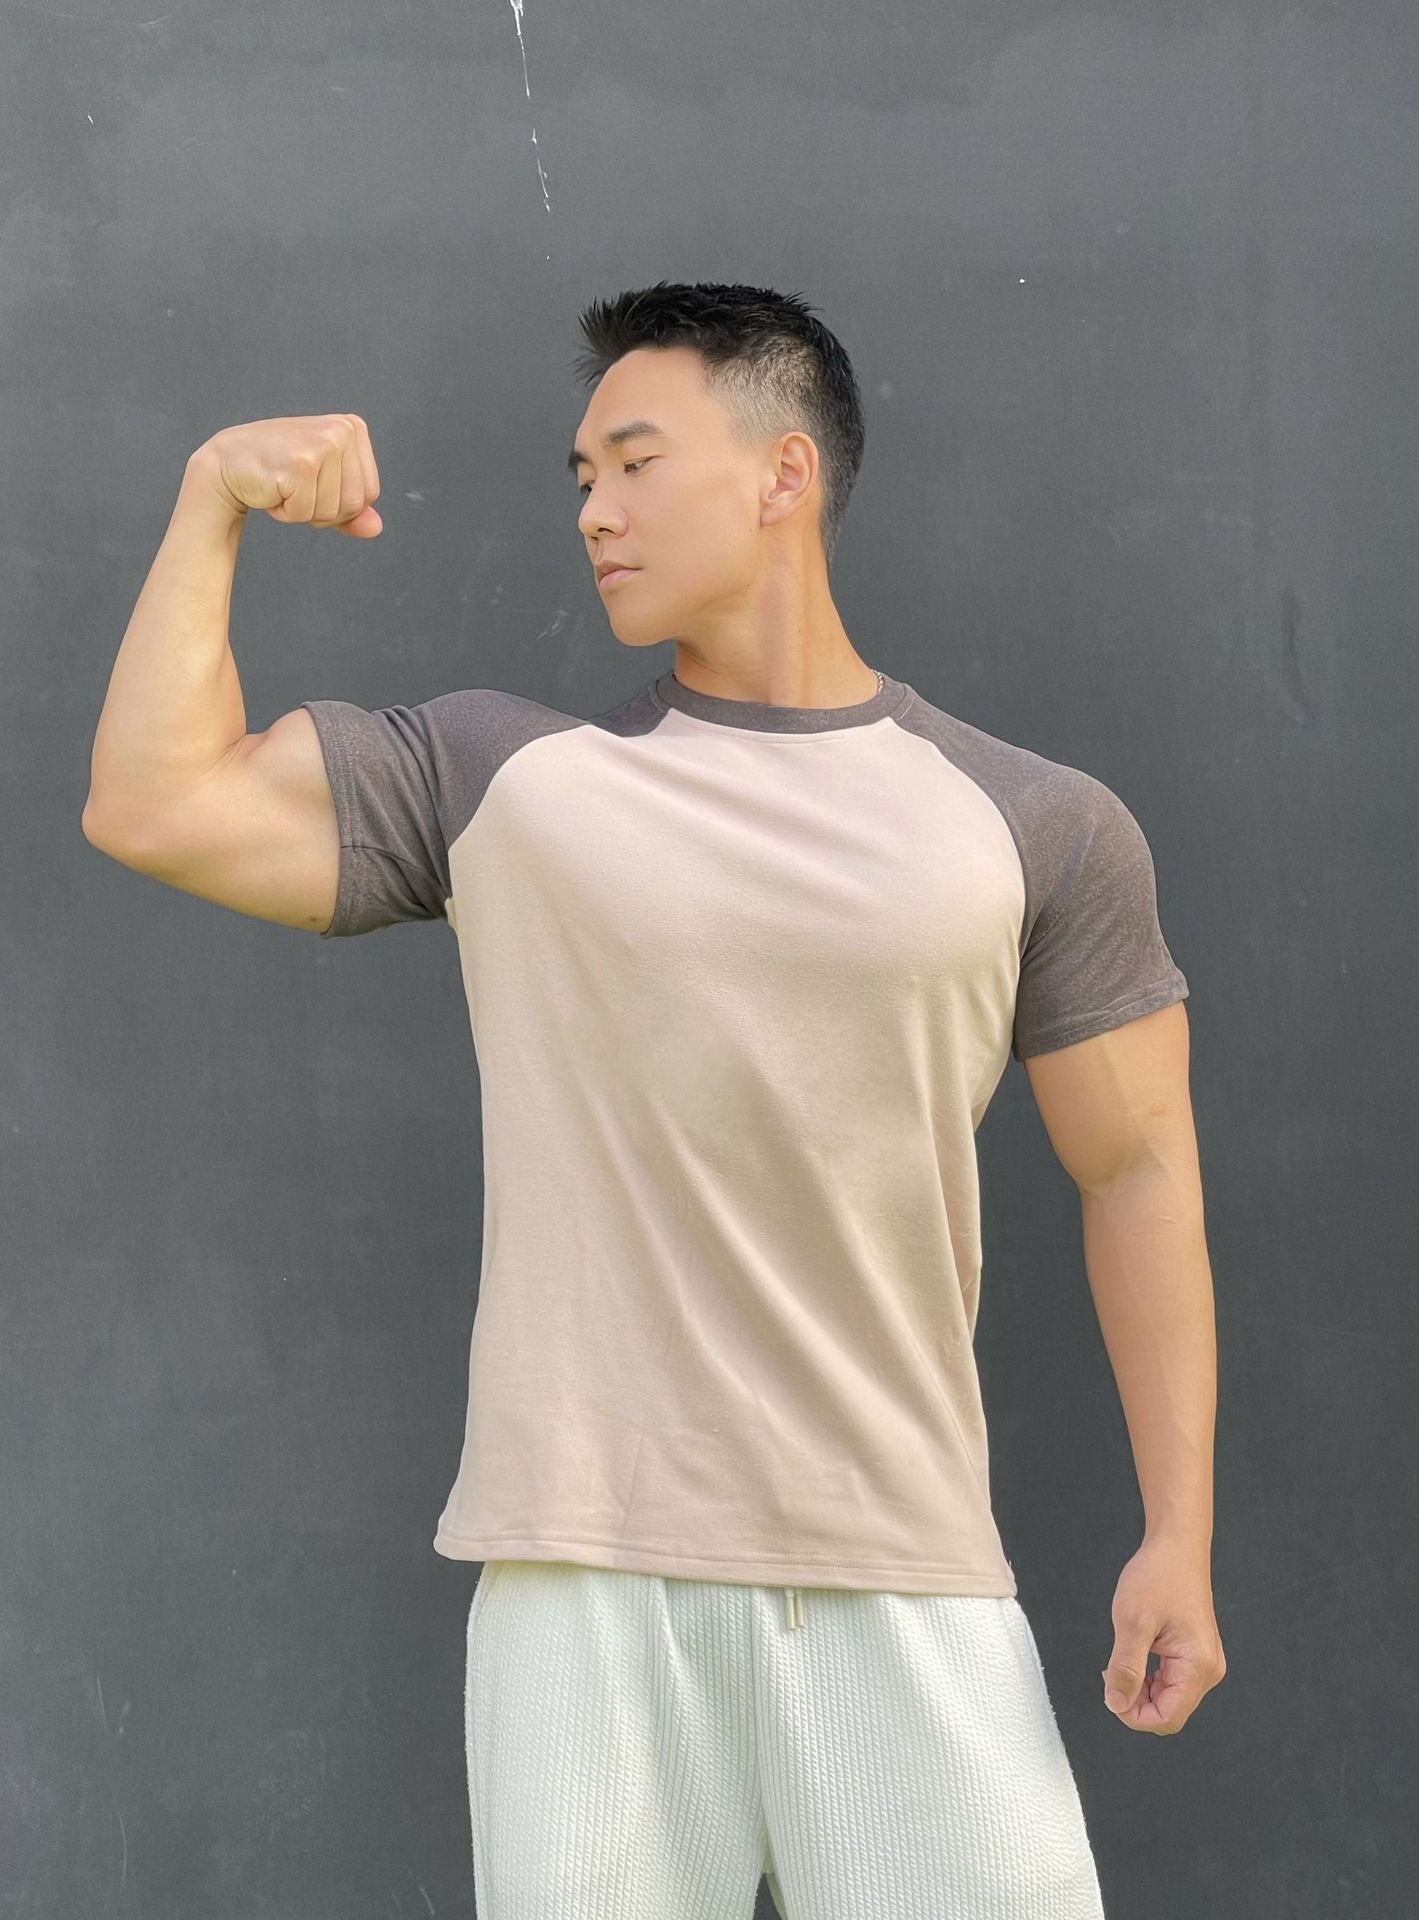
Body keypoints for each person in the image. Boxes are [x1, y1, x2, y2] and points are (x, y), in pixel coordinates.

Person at [83, 280, 1224, 1919]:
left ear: (782, 475)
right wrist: (213, 499)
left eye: (632, 463)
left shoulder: (1033, 822)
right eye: (579, 478)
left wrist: (1176, 1533)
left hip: (899, 1566)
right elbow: (151, 801)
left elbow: (1138, 1168)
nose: (593, 513)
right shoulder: (504, 782)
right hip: (581, 1581)